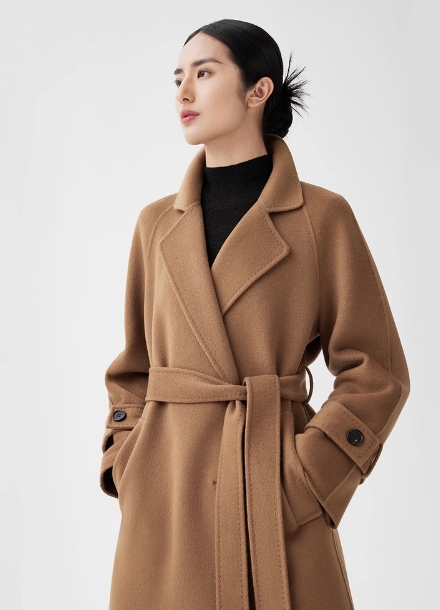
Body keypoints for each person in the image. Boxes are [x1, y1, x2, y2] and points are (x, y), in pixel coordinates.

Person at [99, 18, 410, 610]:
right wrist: (126, 459)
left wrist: (309, 476)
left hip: (272, 493)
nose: (183, 91)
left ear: (258, 90)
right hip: (164, 498)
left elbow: (378, 371)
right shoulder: (155, 224)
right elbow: (133, 367)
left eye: (204, 73)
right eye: (177, 77)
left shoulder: (321, 217)